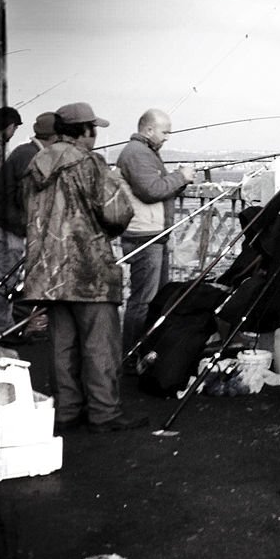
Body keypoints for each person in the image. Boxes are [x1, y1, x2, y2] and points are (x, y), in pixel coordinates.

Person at [22, 102, 147, 434]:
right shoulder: (88, 162)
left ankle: (67, 410)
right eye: (94, 130)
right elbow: (117, 213)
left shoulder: (36, 162)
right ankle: (104, 412)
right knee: (99, 344)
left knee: (62, 343)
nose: (95, 137)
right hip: (87, 270)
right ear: (84, 131)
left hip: (48, 272)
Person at [116, 109, 195, 366]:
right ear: (148, 130)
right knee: (143, 301)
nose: (168, 137)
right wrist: (179, 176)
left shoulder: (144, 152)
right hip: (144, 236)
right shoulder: (137, 153)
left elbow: (155, 186)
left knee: (154, 299)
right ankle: (130, 355)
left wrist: (177, 182)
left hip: (152, 234)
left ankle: (143, 352)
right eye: (165, 131)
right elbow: (151, 190)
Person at [0, 112, 58, 338]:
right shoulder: (31, 157)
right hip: (8, 228)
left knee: (2, 280)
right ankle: (1, 330)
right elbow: (27, 199)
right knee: (4, 281)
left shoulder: (25, 152)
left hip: (6, 224)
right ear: (54, 137)